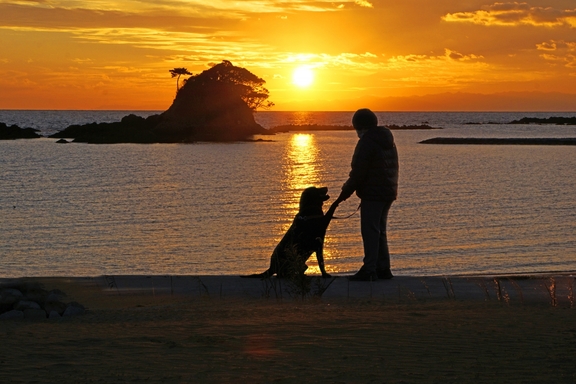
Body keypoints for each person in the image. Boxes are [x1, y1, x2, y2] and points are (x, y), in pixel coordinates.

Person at [336, 108, 399, 281]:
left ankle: (370, 269)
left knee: (370, 231)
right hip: (388, 191)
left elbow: (358, 172)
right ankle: (383, 268)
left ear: (359, 126)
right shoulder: (386, 140)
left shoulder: (367, 142)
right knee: (380, 231)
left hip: (373, 193)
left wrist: (345, 192)